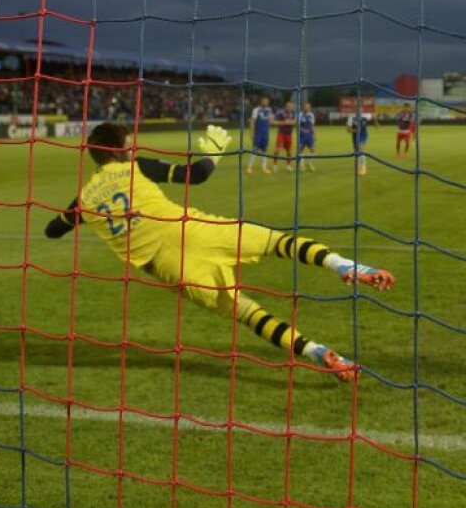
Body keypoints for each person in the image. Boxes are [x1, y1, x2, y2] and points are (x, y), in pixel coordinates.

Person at [44, 122, 395, 380]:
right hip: (194, 231)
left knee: (246, 312)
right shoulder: (134, 167)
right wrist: (213, 148)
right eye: (128, 145)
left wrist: (82, 214)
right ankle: (344, 266)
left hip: (167, 267)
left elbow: (53, 229)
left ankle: (317, 353)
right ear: (117, 151)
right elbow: (197, 174)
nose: (131, 149)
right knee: (279, 243)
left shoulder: (85, 199)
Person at [246, 96, 273, 174]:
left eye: (266, 101)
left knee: (265, 151)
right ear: (261, 102)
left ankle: (264, 168)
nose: (265, 102)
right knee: (254, 150)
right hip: (258, 134)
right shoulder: (256, 110)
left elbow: (270, 121)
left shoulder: (269, 110)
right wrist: (251, 133)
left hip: (265, 134)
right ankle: (249, 167)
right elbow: (252, 122)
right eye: (264, 101)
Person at [347, 108, 376, 176]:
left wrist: (375, 121)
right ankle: (359, 167)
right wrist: (355, 130)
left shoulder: (366, 115)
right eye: (357, 109)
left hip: (363, 135)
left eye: (360, 109)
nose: (359, 110)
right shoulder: (352, 117)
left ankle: (363, 167)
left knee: (362, 150)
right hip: (355, 136)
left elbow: (373, 119)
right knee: (357, 151)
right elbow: (348, 129)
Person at [273, 99, 296, 172]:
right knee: (278, 149)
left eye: (291, 106)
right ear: (285, 106)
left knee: (289, 151)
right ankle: (275, 165)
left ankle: (288, 166)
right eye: (288, 106)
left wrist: (292, 123)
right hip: (281, 134)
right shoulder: (280, 113)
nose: (290, 108)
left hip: (289, 135)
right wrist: (283, 122)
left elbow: (296, 122)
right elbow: (272, 122)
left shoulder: (293, 114)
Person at [297, 100, 317, 172]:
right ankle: (301, 165)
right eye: (306, 107)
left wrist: (314, 133)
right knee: (301, 150)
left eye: (308, 107)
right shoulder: (300, 115)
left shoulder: (311, 115)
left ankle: (310, 163)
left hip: (309, 136)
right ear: (303, 107)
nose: (307, 108)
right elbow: (297, 126)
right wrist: (302, 130)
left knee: (312, 149)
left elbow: (312, 125)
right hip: (302, 136)